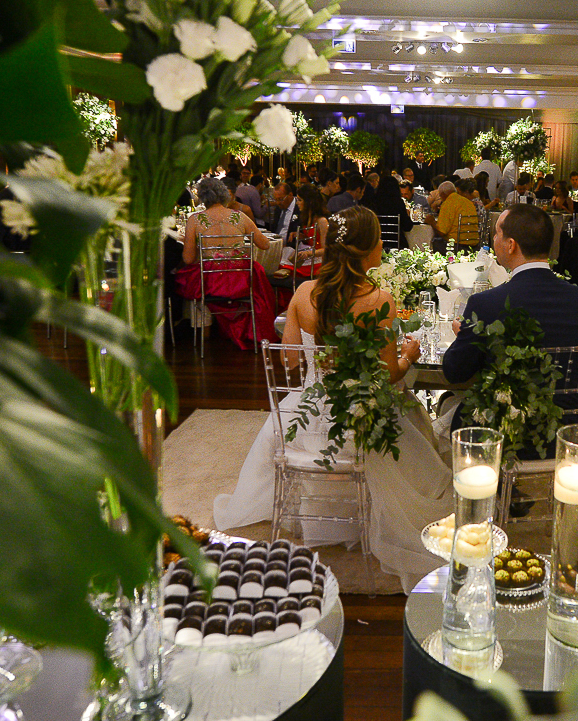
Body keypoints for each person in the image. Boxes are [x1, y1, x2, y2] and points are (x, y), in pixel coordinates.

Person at [213, 206, 452, 592]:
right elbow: (389, 375)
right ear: (366, 250)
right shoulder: (380, 300)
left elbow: (290, 361)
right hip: (362, 420)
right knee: (417, 431)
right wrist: (409, 355)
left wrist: (322, 357)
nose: (382, 245)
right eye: (378, 240)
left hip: (309, 420)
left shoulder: (304, 293)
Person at [443, 204, 578, 459]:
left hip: (502, 431)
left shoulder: (485, 304)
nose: (493, 240)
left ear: (510, 245)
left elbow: (454, 372)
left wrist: (462, 335)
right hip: (571, 430)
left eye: (497, 234)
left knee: (451, 407)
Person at [173, 177, 280, 350]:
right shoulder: (239, 216)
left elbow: (188, 259)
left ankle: (204, 333)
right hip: (241, 280)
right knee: (257, 274)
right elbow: (265, 245)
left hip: (212, 281)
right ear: (224, 194)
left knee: (185, 279)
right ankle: (244, 322)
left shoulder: (195, 220)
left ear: (202, 197)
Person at [281, 184, 329, 279]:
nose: (297, 203)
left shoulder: (322, 221)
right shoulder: (308, 217)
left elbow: (326, 249)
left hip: (318, 261)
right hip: (309, 255)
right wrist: (300, 236)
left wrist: (308, 253)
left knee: (287, 269)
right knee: (281, 264)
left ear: (309, 202)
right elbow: (312, 239)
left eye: (300, 200)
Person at [368, 170, 413, 247]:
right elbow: (407, 227)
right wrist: (408, 215)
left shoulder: (374, 202)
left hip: (378, 242)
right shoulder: (398, 203)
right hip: (396, 243)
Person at [432, 179, 479, 249]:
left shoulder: (448, 203)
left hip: (457, 244)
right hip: (474, 244)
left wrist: (431, 222)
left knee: (434, 242)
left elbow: (442, 232)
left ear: (443, 194)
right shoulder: (468, 202)